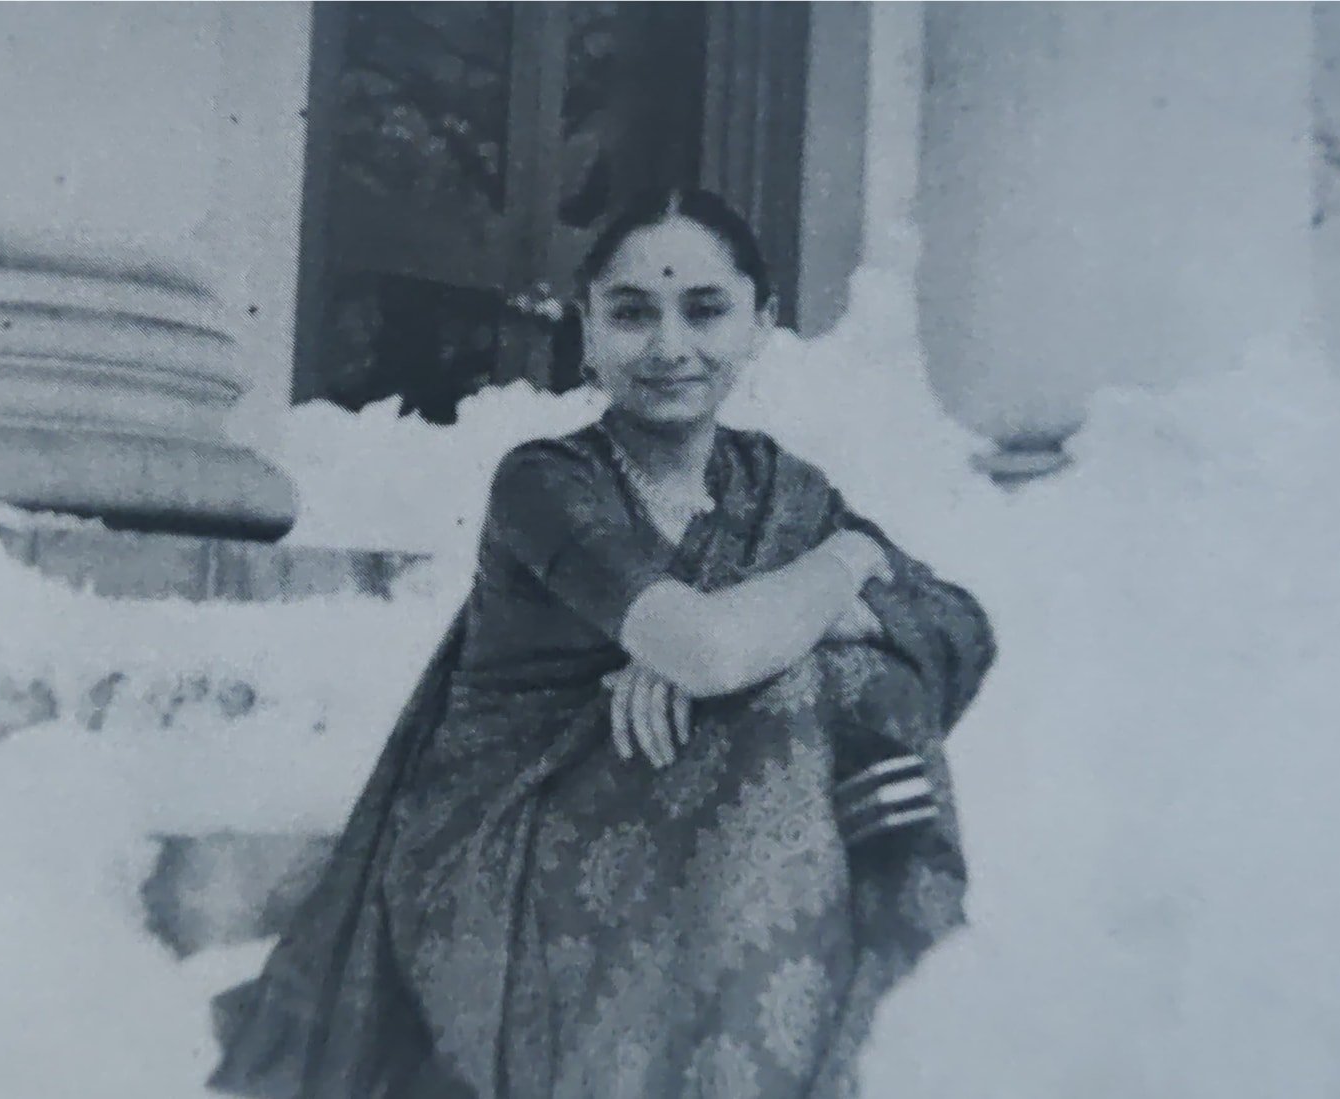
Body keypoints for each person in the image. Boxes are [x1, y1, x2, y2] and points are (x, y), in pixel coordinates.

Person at [207, 187, 995, 1099]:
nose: (669, 346)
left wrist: (801, 605)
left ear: (760, 326)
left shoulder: (780, 488)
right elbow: (709, 652)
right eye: (631, 312)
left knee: (861, 682)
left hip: (722, 843)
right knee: (783, 701)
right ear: (588, 329)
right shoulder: (547, 483)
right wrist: (839, 575)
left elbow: (960, 626)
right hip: (506, 855)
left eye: (705, 310)